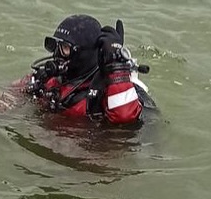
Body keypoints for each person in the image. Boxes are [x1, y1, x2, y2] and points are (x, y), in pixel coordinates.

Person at [20, 14, 153, 123]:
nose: (57, 54)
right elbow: (11, 94)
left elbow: (125, 117)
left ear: (84, 53)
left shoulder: (106, 93)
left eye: (65, 48)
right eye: (55, 46)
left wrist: (116, 63)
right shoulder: (50, 79)